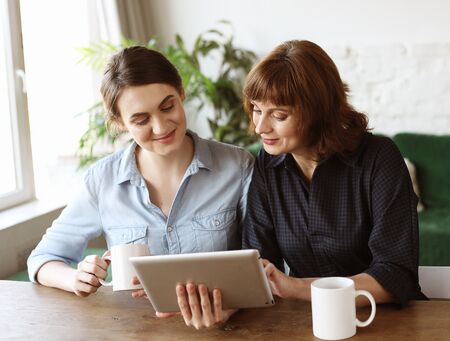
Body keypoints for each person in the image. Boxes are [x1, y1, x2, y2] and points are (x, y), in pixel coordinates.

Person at [27, 46, 253, 328]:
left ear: (181, 93)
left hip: (226, 331)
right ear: (120, 122)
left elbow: (264, 262)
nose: (160, 127)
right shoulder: (102, 181)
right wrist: (76, 278)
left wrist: (230, 307)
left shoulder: (238, 166)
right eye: (140, 119)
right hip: (138, 331)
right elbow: (43, 259)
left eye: (167, 106)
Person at [241, 40, 424, 307]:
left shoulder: (378, 158)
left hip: (383, 319)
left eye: (278, 115)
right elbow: (258, 262)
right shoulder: (268, 164)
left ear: (317, 112)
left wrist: (297, 287)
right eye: (257, 109)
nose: (260, 127)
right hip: (306, 321)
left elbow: (396, 276)